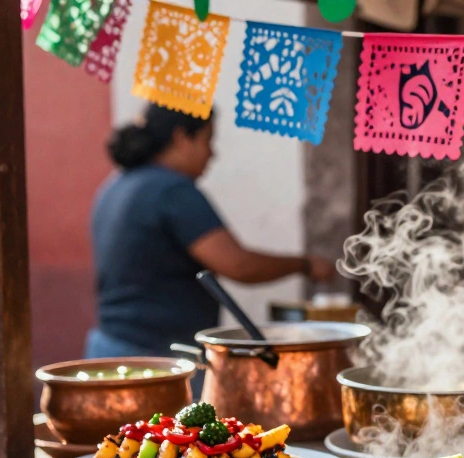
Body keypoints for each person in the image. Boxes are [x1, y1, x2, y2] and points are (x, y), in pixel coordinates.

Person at [87, 104, 337, 359]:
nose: (212, 153)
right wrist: (305, 265)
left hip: (110, 346)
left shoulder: (115, 186)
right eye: (207, 140)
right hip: (157, 357)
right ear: (181, 137)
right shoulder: (172, 191)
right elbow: (240, 266)